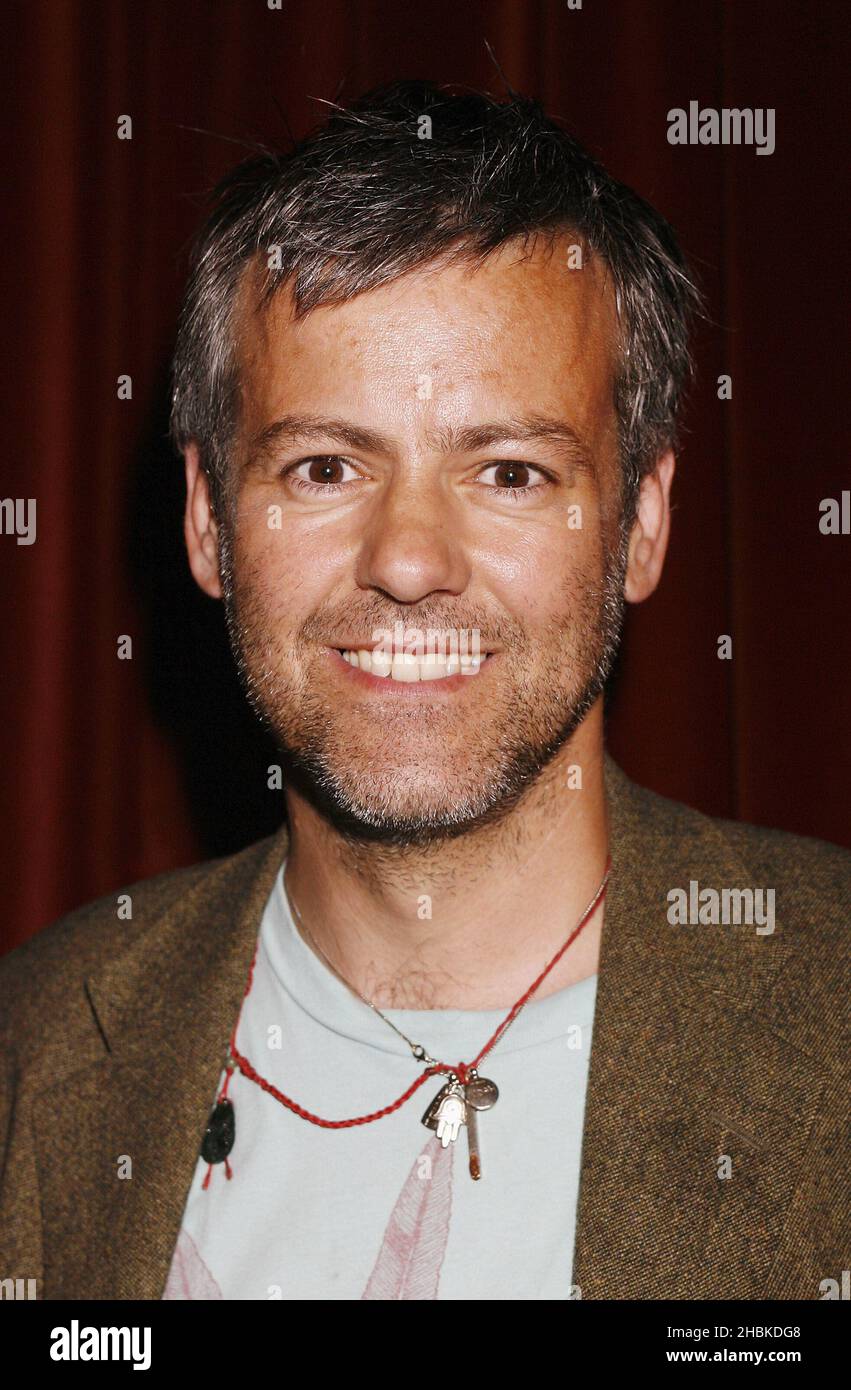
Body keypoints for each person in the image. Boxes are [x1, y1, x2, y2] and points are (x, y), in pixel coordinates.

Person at [1, 80, 847, 1302]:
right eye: (326, 464)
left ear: (642, 523)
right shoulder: (38, 1054)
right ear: (204, 518)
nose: (407, 560)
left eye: (506, 471)